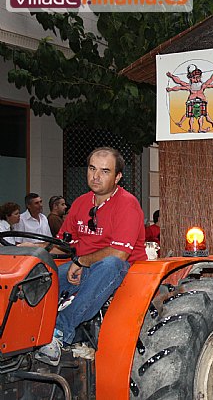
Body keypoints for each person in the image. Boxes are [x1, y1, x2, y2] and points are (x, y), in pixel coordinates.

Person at [22, 147, 146, 366]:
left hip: (123, 271)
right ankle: (23, 331)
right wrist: (32, 251)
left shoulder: (128, 204)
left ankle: (60, 331)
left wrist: (80, 262)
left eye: (105, 171)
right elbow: (63, 244)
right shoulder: (80, 203)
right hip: (81, 265)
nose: (96, 176)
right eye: (92, 168)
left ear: (117, 177)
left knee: (110, 264)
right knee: (38, 277)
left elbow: (120, 253)